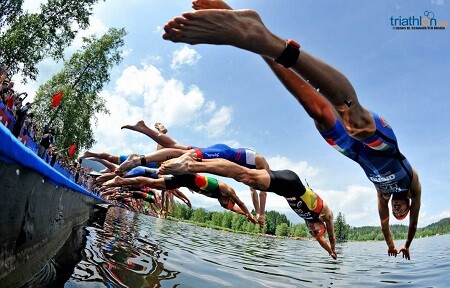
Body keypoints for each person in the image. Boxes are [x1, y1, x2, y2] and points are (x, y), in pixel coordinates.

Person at [162, 2, 422, 260]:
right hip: (382, 145)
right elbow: (408, 225)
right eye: (402, 210)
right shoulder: (413, 184)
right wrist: (407, 242)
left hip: (352, 153)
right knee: (356, 123)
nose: (398, 210)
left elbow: (385, 225)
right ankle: (274, 43)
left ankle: (255, 35)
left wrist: (391, 245)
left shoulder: (382, 195)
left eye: (396, 211)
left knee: (316, 111)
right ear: (409, 203)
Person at [159, 154, 337, 259]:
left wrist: (330, 253)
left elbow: (320, 239)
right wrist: (334, 246)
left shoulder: (310, 222)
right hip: (291, 183)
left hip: (282, 188)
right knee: (245, 175)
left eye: (312, 232)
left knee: (244, 178)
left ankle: (194, 162)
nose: (313, 230)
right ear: (322, 226)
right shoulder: (323, 215)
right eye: (316, 230)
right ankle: (191, 164)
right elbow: (329, 234)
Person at [121, 120, 268, 227]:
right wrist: (258, 213)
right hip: (224, 153)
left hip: (219, 155)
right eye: (225, 205)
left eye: (223, 206)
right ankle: (139, 159)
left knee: (175, 147)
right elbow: (260, 193)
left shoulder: (250, 178)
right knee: (184, 157)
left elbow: (253, 193)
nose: (223, 205)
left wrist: (256, 214)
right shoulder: (258, 170)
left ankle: (148, 130)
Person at [102, 172, 257, 224]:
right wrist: (250, 213)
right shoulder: (226, 190)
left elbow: (236, 209)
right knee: (157, 181)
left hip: (183, 180)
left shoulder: (220, 200)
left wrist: (247, 216)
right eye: (227, 204)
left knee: (154, 184)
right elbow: (240, 204)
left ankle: (120, 181)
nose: (225, 206)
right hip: (186, 173)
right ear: (228, 199)